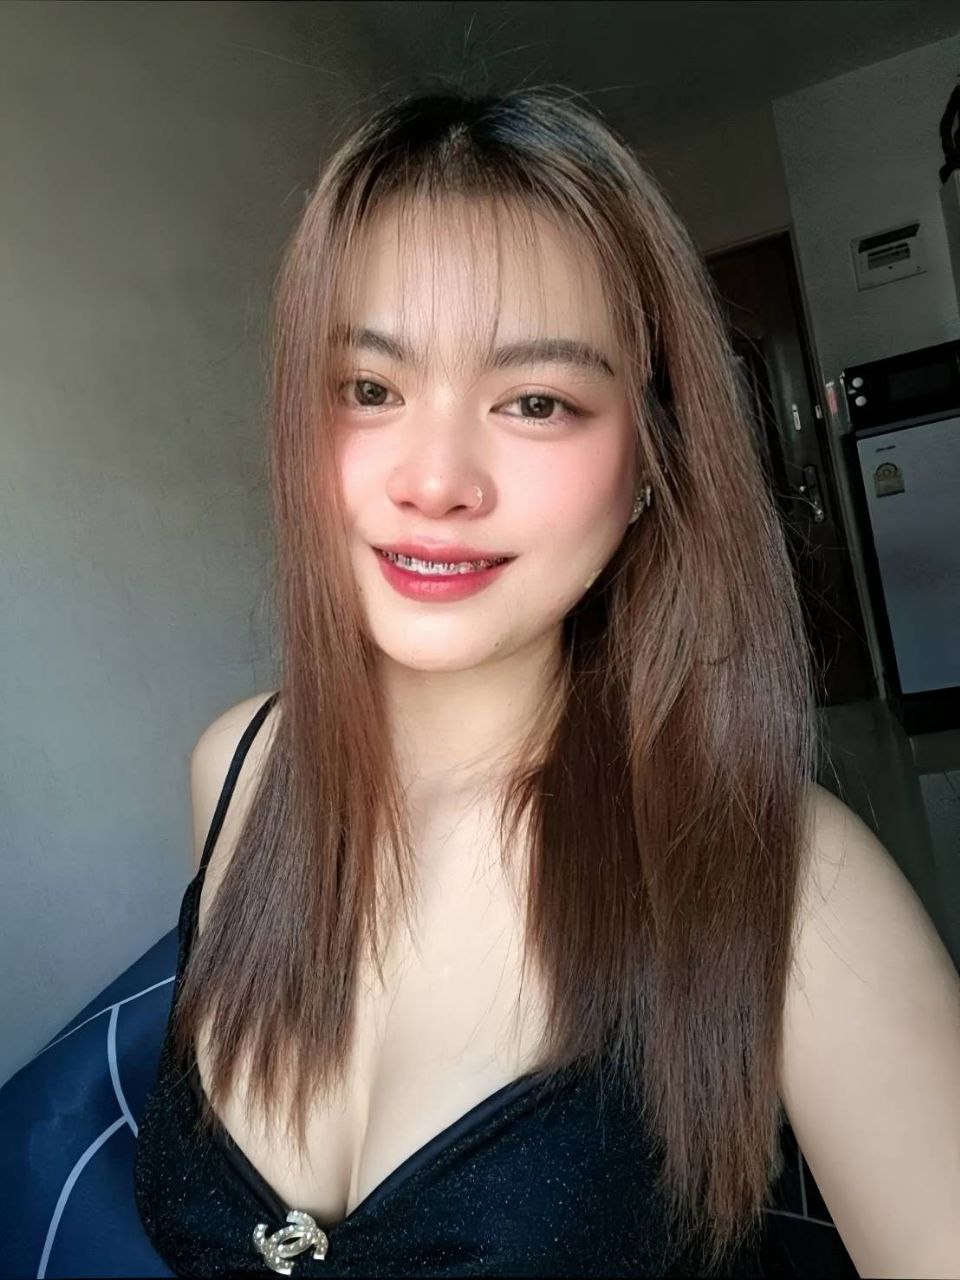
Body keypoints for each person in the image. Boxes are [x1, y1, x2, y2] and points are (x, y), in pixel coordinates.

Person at [133, 86, 960, 1279]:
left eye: (536, 402)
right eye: (370, 387)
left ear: (649, 462)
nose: (436, 480)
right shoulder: (236, 769)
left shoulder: (786, 880)